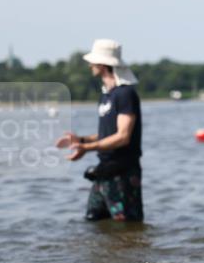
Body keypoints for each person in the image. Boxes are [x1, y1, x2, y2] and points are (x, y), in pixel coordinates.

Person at [56, 39, 144, 222]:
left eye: (93, 61)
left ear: (103, 64)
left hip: (124, 173)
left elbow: (123, 137)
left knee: (127, 227)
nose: (90, 65)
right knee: (93, 222)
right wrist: (81, 141)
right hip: (104, 171)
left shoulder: (125, 94)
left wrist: (86, 148)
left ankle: (132, 251)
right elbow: (107, 134)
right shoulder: (106, 96)